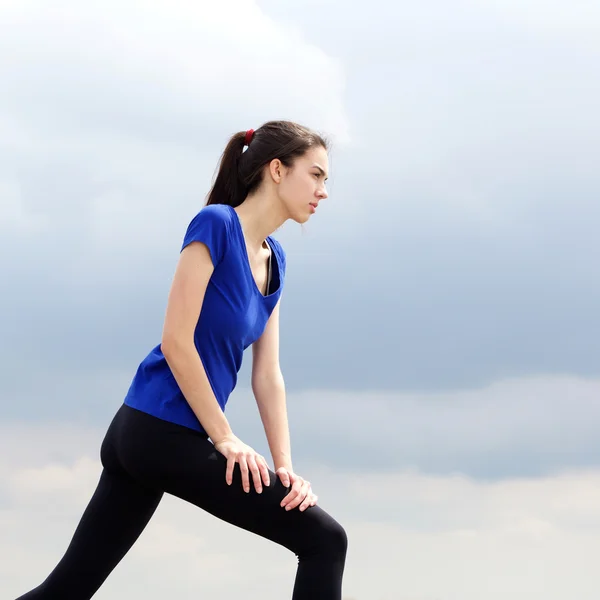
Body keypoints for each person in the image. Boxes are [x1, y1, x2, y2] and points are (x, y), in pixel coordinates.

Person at [15, 120, 348, 600]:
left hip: (158, 436)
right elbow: (176, 340)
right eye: (316, 175)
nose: (323, 191)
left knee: (64, 591)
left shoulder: (274, 259)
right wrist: (226, 437)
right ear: (277, 170)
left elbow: (268, 375)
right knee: (324, 540)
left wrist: (285, 468)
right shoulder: (215, 224)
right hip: (158, 429)